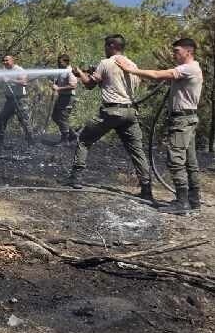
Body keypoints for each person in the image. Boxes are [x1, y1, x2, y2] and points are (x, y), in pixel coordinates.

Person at [116, 38, 204, 214]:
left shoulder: (188, 68)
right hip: (188, 119)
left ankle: (182, 202)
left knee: (176, 160)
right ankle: (193, 200)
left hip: (182, 121)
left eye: (177, 51)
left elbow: (157, 75)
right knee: (190, 162)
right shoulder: (192, 69)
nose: (174, 54)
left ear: (189, 51)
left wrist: (130, 70)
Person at [66, 34, 153, 200]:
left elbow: (90, 85)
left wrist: (79, 73)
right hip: (130, 113)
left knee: (84, 140)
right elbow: (116, 83)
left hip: (111, 112)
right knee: (137, 150)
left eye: (106, 46)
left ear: (112, 46)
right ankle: (147, 189)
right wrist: (96, 74)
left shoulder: (106, 63)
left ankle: (75, 178)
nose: (104, 49)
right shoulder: (132, 64)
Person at [0, 54, 35, 148]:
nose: (5, 62)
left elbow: (24, 83)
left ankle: (31, 143)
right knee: (1, 119)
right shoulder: (4, 71)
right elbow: (2, 84)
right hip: (9, 100)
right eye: (3, 60)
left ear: (12, 61)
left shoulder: (19, 70)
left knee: (24, 121)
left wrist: (10, 79)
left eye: (7, 60)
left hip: (20, 100)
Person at [50, 54, 79, 144]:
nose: (58, 64)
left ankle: (65, 140)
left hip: (68, 97)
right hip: (62, 97)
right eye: (58, 62)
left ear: (66, 62)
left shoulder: (70, 71)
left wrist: (58, 88)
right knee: (55, 116)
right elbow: (59, 82)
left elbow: (73, 85)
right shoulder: (61, 71)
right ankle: (72, 134)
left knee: (62, 118)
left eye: (60, 62)